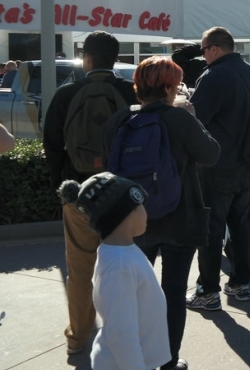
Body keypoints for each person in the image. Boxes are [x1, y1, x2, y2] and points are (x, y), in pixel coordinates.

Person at [103, 56, 219, 370]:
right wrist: (193, 117)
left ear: (138, 86)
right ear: (170, 86)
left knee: (134, 294)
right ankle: (168, 361)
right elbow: (210, 155)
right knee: (172, 291)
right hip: (179, 217)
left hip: (133, 218)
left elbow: (107, 162)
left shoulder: (120, 120)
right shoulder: (179, 118)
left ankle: (132, 357)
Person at [43, 31, 138, 355]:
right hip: (123, 195)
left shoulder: (67, 93)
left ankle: (79, 337)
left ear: (86, 57)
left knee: (81, 270)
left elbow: (53, 147)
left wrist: (62, 186)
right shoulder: (130, 92)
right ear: (115, 58)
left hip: (79, 190)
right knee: (123, 268)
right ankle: (123, 336)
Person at [58, 172, 170, 370]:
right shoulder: (120, 265)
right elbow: (122, 332)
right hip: (127, 364)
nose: (146, 211)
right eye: (141, 205)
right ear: (124, 214)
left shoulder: (121, 253)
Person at [186, 27, 250, 311]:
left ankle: (207, 290)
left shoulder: (214, 74)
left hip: (217, 163)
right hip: (247, 161)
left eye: (204, 50)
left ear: (214, 48)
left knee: (210, 229)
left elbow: (197, 119)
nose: (203, 56)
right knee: (241, 226)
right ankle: (240, 283)